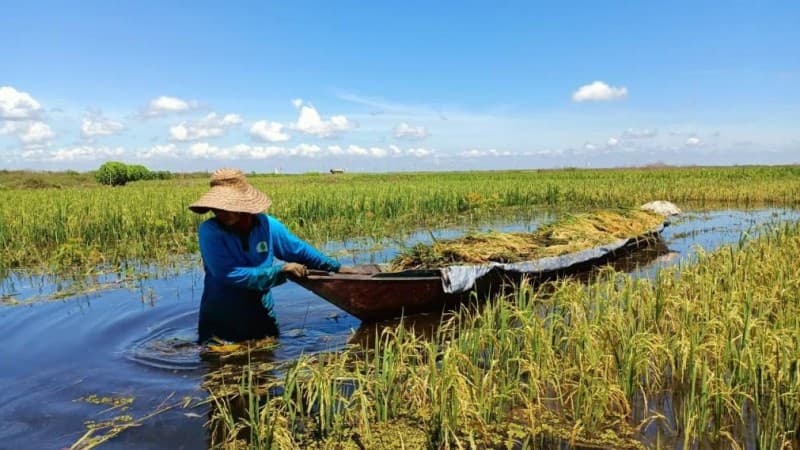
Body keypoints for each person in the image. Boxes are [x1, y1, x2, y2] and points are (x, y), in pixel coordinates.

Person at [188, 168, 359, 343]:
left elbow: (300, 251)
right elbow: (228, 274)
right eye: (216, 207)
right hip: (221, 319)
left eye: (225, 207)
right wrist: (280, 271)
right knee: (217, 358)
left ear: (242, 206)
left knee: (268, 355)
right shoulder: (210, 231)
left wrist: (338, 268)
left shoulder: (268, 226)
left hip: (261, 315)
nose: (219, 212)